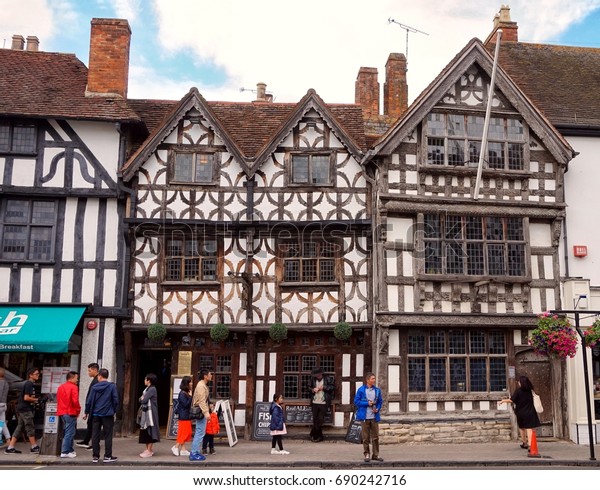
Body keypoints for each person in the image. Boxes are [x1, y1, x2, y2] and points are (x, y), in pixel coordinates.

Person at [4, 367, 41, 454]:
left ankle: (10, 447)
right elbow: (26, 397)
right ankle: (34, 447)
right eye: (36, 374)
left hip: (22, 408)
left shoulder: (30, 384)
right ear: (30, 375)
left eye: (38, 374)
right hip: (25, 409)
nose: (38, 375)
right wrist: (37, 400)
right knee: (30, 427)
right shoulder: (29, 384)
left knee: (20, 427)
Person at [86, 368, 119, 463]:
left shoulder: (94, 387)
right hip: (108, 414)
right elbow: (115, 400)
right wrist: (114, 410)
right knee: (108, 435)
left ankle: (95, 456)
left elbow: (89, 401)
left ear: (99, 376)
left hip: (96, 414)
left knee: (95, 435)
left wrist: (87, 411)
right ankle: (107, 456)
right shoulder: (112, 386)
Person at [499, 375, 541, 450]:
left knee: (522, 428)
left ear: (521, 382)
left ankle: (524, 442)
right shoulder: (530, 390)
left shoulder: (519, 391)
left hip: (521, 412)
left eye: (519, 382)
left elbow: (512, 400)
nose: (518, 383)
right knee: (529, 429)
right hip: (530, 412)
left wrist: (503, 401)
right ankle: (531, 445)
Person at [354, 372, 383, 463]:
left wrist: (377, 408)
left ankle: (376, 454)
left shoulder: (377, 390)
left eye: (374, 379)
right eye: (372, 379)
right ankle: (367, 454)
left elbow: (380, 402)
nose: (374, 380)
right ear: (367, 380)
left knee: (375, 437)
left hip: (374, 416)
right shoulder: (361, 390)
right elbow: (356, 402)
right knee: (365, 437)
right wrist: (367, 403)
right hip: (364, 417)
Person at [189, 369, 212, 461]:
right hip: (201, 411)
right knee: (199, 432)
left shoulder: (202, 385)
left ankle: (195, 451)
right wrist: (206, 413)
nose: (211, 376)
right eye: (210, 374)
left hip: (202, 410)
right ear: (205, 376)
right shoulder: (201, 386)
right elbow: (202, 401)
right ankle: (194, 453)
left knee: (200, 432)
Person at [56, 371, 81, 458]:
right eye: (76, 378)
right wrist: (78, 409)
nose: (77, 380)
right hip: (70, 411)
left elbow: (58, 400)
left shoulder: (61, 387)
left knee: (69, 431)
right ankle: (65, 451)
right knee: (69, 432)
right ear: (72, 378)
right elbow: (75, 401)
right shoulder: (74, 387)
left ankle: (70, 450)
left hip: (62, 411)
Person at [306, 367, 334, 442]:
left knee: (320, 420)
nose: (317, 377)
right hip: (314, 402)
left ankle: (313, 434)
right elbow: (308, 387)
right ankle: (319, 436)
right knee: (315, 420)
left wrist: (324, 387)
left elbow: (332, 387)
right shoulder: (312, 379)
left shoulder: (327, 379)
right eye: (316, 376)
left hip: (324, 402)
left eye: (318, 375)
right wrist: (312, 390)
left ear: (321, 374)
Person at [76, 362, 99, 450]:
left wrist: (87, 410)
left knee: (93, 426)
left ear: (94, 370)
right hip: (93, 407)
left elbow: (92, 397)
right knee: (90, 424)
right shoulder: (95, 380)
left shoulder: (96, 381)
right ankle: (86, 440)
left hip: (94, 407)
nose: (88, 373)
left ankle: (93, 444)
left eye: (89, 371)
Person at [138, 373, 160, 458]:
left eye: (145, 379)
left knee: (150, 430)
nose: (144, 380)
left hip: (150, 413)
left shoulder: (152, 389)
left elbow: (144, 400)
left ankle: (149, 450)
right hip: (146, 413)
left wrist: (142, 398)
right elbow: (140, 399)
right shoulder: (147, 389)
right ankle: (148, 449)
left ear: (149, 381)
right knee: (146, 430)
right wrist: (142, 398)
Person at [172, 376, 193, 457]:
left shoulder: (185, 393)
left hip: (185, 415)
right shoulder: (182, 394)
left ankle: (183, 449)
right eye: (190, 382)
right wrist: (190, 397)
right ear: (187, 383)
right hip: (183, 416)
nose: (191, 383)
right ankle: (176, 446)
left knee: (185, 432)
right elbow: (185, 405)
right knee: (185, 433)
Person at [0, 367, 11, 447]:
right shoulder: (6, 382)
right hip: (3, 405)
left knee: (2, 423)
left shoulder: (0, 382)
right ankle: (8, 440)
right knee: (2, 423)